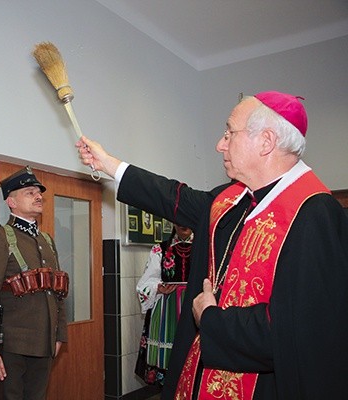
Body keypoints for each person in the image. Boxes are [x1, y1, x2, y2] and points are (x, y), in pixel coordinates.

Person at [77, 91, 348, 399]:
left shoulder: (314, 213)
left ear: (266, 141)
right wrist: (110, 164)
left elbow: (300, 331)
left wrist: (209, 317)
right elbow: (174, 197)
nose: (221, 144)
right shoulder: (232, 199)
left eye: (229, 133)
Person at [0, 166, 68, 400]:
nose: (38, 196)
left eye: (38, 193)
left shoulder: (46, 240)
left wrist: (59, 335)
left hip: (43, 343)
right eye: (29, 192)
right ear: (11, 202)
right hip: (11, 346)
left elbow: (57, 292)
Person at [135, 224, 193, 387]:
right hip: (167, 311)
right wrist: (158, 288)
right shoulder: (159, 249)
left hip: (194, 308)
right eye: (179, 220)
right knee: (168, 364)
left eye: (186, 219)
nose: (183, 224)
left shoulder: (206, 247)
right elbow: (145, 282)